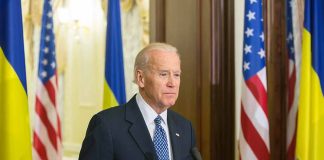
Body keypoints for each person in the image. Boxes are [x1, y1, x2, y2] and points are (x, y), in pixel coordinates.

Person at [79, 43, 198, 160]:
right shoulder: (106, 125)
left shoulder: (184, 127)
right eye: (163, 74)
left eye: (177, 75)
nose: (172, 83)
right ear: (141, 78)